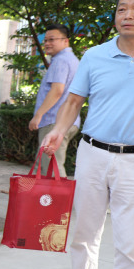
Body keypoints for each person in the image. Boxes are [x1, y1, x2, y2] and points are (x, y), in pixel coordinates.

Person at [42, 0, 134, 269]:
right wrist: (57, 130)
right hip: (93, 154)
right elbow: (73, 101)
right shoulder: (95, 56)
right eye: (122, 8)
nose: (128, 15)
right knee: (84, 233)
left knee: (131, 243)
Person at [28, 23, 80, 176]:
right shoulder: (72, 59)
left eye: (52, 39)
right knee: (45, 167)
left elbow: (57, 90)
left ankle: (59, 194)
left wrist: (38, 115)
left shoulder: (61, 60)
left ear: (65, 41)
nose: (47, 43)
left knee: (51, 169)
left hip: (54, 121)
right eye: (45, 40)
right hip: (66, 120)